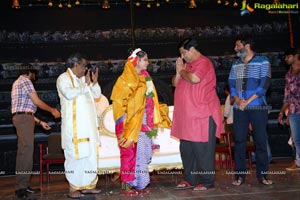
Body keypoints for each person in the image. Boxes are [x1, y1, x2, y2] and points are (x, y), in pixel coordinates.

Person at [110, 48, 171, 196]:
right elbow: (119, 103)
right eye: (145, 60)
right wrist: (125, 123)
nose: (147, 63)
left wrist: (155, 115)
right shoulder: (124, 80)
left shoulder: (146, 77)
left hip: (143, 120)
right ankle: (126, 185)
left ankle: (140, 184)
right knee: (129, 154)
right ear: (136, 61)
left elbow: (151, 99)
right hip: (129, 122)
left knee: (142, 154)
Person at [171, 38, 223, 191]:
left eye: (184, 52)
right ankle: (190, 179)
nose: (182, 56)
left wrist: (182, 70)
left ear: (192, 49)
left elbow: (194, 78)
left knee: (203, 151)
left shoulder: (204, 62)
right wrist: (179, 70)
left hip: (202, 114)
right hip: (187, 116)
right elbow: (175, 83)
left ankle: (207, 181)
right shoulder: (186, 65)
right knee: (187, 150)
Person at [11, 63, 60, 199]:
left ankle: (23, 185)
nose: (35, 75)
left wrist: (40, 122)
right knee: (26, 152)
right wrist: (52, 110)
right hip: (24, 119)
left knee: (24, 151)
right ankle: (21, 188)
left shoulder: (17, 82)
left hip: (24, 118)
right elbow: (36, 102)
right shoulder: (25, 80)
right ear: (30, 72)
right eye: (34, 72)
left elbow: (24, 109)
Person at [228, 36, 273, 186]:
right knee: (239, 140)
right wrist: (238, 99)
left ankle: (263, 175)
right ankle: (239, 176)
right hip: (240, 107)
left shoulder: (262, 61)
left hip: (258, 105)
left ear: (246, 46)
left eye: (237, 45)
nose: (235, 48)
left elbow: (265, 83)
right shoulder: (236, 63)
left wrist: (248, 100)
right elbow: (232, 83)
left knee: (260, 140)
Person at [56, 53, 102, 199]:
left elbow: (97, 95)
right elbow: (69, 94)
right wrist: (86, 85)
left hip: (88, 127)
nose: (85, 69)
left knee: (89, 156)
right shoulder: (63, 78)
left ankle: (88, 186)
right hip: (74, 128)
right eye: (84, 66)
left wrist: (93, 83)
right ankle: (73, 188)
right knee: (75, 157)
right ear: (75, 65)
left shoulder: (83, 79)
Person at [278, 48, 300, 171]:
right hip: (294, 111)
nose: (286, 59)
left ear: (295, 56)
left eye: (287, 56)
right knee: (296, 139)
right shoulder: (288, 75)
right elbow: (287, 96)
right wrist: (282, 112)